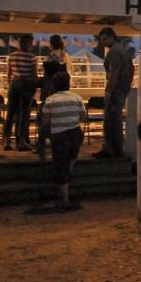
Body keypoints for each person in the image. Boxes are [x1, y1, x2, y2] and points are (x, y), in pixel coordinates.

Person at [42, 71, 87, 209]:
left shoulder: (50, 100)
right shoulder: (77, 97)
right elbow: (83, 118)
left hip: (60, 135)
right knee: (70, 160)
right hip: (75, 134)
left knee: (61, 164)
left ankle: (64, 197)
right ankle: (68, 174)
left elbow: (45, 122)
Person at [94, 27, 134, 158]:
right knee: (116, 119)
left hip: (116, 89)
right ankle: (116, 148)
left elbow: (114, 74)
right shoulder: (123, 49)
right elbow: (132, 68)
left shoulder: (114, 52)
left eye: (104, 39)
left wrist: (108, 93)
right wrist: (127, 85)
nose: (103, 42)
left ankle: (110, 149)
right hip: (122, 87)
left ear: (111, 36)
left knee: (110, 119)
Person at [37, 35, 74, 158]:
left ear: (51, 44)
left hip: (52, 91)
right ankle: (58, 144)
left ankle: (42, 145)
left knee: (44, 117)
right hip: (64, 91)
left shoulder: (52, 56)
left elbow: (48, 76)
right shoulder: (66, 56)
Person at [2, 34, 37, 151]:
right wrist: (35, 87)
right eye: (31, 43)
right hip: (26, 85)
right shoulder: (32, 57)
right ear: (27, 43)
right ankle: (21, 142)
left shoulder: (12, 55)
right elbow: (34, 75)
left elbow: (9, 74)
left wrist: (10, 83)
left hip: (13, 85)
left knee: (10, 113)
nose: (32, 46)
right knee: (23, 114)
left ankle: (6, 141)